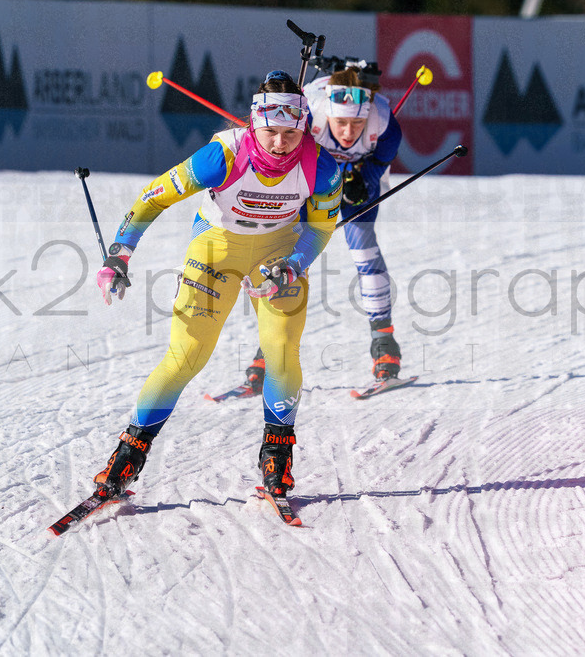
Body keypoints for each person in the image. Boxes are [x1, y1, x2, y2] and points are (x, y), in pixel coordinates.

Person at [92, 70, 342, 499]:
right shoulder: (222, 155)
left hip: (277, 253)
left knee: (282, 349)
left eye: (290, 133)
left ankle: (277, 459)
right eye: (270, 132)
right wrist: (120, 252)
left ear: (304, 128)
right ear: (254, 123)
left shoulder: (321, 166)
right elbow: (154, 196)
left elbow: (320, 227)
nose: (280, 143)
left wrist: (294, 264)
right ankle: (126, 457)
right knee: (187, 354)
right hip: (216, 248)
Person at [243, 65, 404, 393]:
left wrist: (363, 179)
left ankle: (384, 346)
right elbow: (286, 154)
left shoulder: (385, 122)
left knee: (364, 250)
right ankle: (269, 348)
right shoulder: (309, 116)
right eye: (340, 122)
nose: (348, 132)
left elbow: (379, 162)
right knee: (291, 257)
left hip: (358, 177)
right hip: (314, 179)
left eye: (357, 123)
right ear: (327, 114)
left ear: (368, 115)